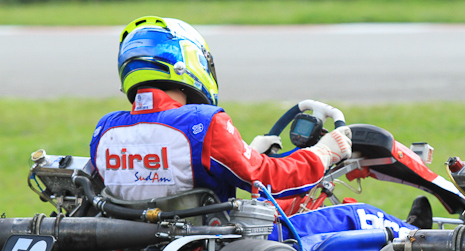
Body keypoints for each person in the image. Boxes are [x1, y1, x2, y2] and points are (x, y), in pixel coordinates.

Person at [89, 16, 431, 235]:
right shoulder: (202, 123)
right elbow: (270, 180)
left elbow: (166, 175)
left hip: (145, 246)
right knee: (355, 216)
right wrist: (324, 154)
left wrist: (248, 152)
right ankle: (419, 240)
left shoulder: (106, 132)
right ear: (187, 62)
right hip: (219, 245)